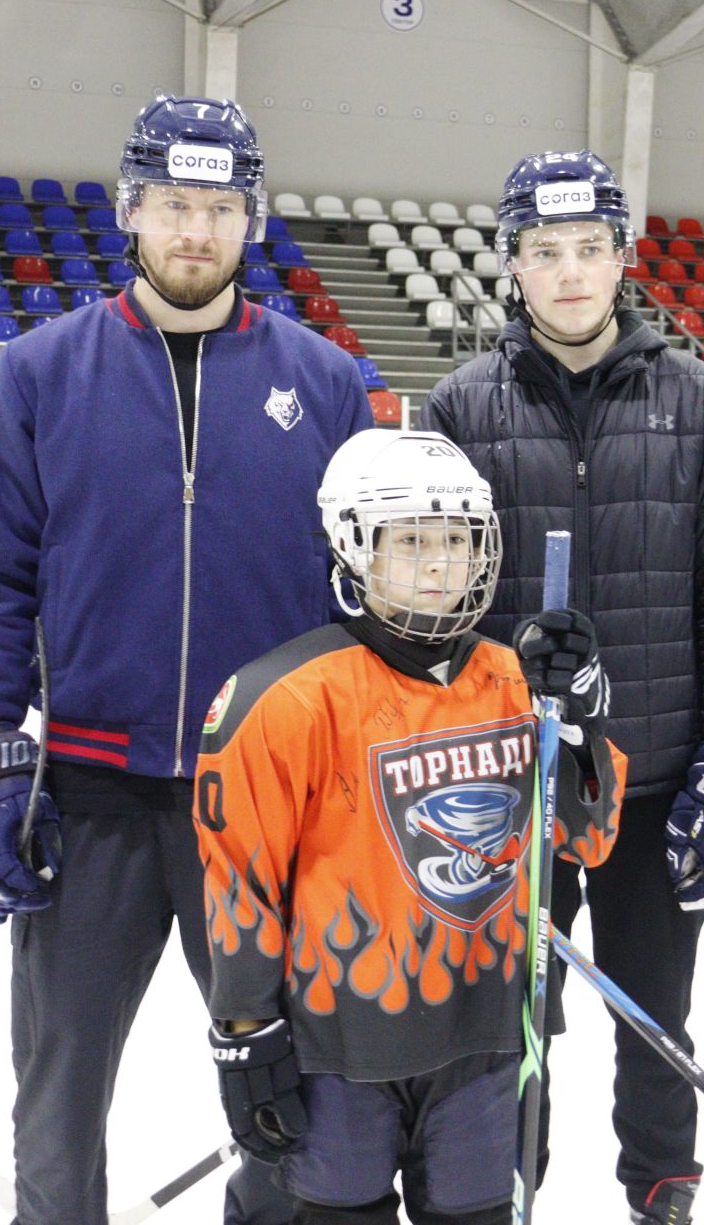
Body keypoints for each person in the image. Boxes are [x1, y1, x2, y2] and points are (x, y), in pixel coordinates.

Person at [0, 94, 374, 1225]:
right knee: (60, 1087)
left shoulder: (325, 383)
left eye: (220, 207)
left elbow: (353, 595)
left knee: (292, 1076)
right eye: (174, 204)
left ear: (252, 222)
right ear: (132, 210)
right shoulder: (39, 375)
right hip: (90, 790)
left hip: (264, 794)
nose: (195, 230)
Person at [421, 151, 704, 1225]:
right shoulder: (458, 407)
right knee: (507, 1008)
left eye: (588, 249)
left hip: (657, 774)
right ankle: (502, 1182)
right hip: (510, 779)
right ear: (512, 266)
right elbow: (430, 592)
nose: (569, 273)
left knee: (654, 1009)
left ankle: (661, 1188)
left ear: (622, 257)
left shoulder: (703, 403)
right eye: (544, 251)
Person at [194, 428, 626, 1225]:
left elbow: (586, 837)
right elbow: (241, 880)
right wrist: (246, 1028)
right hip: (339, 1044)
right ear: (354, 548)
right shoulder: (280, 696)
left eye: (457, 540)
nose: (437, 563)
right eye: (410, 541)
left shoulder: (520, 683)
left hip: (490, 1036)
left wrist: (579, 724)